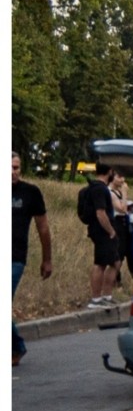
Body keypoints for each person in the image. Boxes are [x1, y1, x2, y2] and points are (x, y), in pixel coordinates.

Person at [12, 152, 53, 367]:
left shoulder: (30, 193)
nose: (13, 172)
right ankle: (15, 346)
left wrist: (47, 259)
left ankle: (16, 346)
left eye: (16, 167)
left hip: (15, 258)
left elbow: (43, 228)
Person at [81, 163, 120, 307]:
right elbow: (100, 212)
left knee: (115, 262)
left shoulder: (96, 187)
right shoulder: (99, 189)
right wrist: (110, 231)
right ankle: (96, 299)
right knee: (100, 264)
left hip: (101, 230)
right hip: (102, 231)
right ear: (109, 171)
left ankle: (107, 296)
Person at [109, 172, 133, 285]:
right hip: (117, 225)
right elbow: (122, 209)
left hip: (126, 225)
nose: (122, 179)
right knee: (119, 254)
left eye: (123, 176)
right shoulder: (110, 192)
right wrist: (124, 193)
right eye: (119, 176)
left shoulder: (117, 192)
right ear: (112, 178)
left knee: (131, 254)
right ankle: (116, 281)